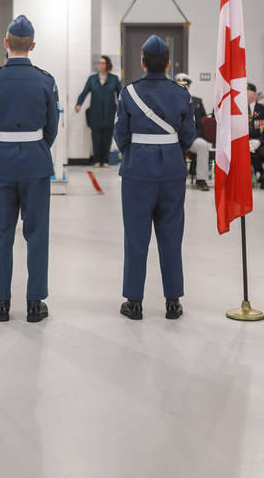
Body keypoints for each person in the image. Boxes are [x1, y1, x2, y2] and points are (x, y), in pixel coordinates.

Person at [0, 15, 59, 323]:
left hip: (1, 161)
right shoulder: (45, 80)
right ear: (33, 45)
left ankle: (1, 302)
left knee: (0, 233)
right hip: (36, 162)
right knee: (37, 233)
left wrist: (0, 147)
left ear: (5, 43)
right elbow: (52, 127)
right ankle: (35, 303)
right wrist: (37, 148)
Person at [114, 35, 195, 320]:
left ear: (143, 62)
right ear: (169, 63)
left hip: (138, 169)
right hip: (172, 169)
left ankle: (134, 302)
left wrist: (135, 153)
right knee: (171, 235)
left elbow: (120, 135)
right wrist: (172, 152)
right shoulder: (182, 93)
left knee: (136, 236)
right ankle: (173, 302)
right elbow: (188, 136)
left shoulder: (129, 92)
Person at [75, 55, 121, 167]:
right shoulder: (92, 79)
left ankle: (105, 160)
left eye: (103, 63)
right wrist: (78, 104)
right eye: (99, 63)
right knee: (96, 138)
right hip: (95, 113)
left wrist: (123, 108)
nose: (101, 65)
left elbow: (121, 95)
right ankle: (96, 160)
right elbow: (84, 92)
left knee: (107, 138)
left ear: (107, 65)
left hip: (110, 113)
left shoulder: (114, 79)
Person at [174, 74, 211, 191]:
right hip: (174, 138)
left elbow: (201, 125)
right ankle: (173, 179)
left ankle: (201, 180)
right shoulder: (170, 100)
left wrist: (192, 136)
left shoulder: (197, 102)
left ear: (189, 86)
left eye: (185, 86)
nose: (182, 88)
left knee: (203, 145)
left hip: (192, 138)